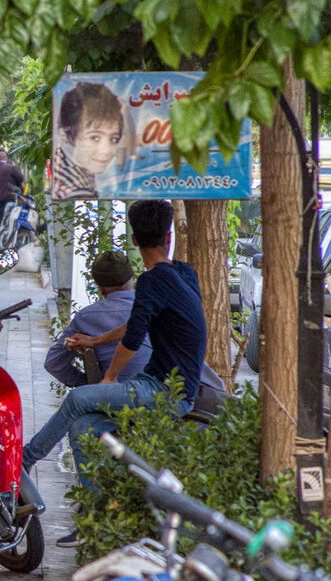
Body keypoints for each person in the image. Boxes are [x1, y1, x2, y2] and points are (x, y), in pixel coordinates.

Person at [23, 200, 206, 545]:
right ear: (168, 235)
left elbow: (135, 337)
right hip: (159, 384)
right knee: (82, 426)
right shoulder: (183, 273)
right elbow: (132, 325)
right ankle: (97, 516)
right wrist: (96, 341)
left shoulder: (153, 280)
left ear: (133, 240)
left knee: (78, 398)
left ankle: (26, 459)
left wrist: (109, 378)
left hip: (167, 393)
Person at [43, 250, 152, 388]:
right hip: (159, 394)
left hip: (112, 395)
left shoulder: (86, 317)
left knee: (72, 404)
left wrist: (90, 384)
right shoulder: (153, 307)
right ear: (133, 276)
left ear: (100, 288)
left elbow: (53, 363)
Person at [53, 82, 124, 200]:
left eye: (113, 139)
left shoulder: (77, 175)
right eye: (95, 138)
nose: (106, 150)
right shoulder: (75, 191)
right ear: (65, 134)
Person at [0, 150, 26, 224]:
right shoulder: (11, 167)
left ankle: (1, 232)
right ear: (6, 159)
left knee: (1, 218)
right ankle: (9, 232)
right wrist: (19, 188)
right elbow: (20, 178)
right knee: (10, 217)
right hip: (10, 196)